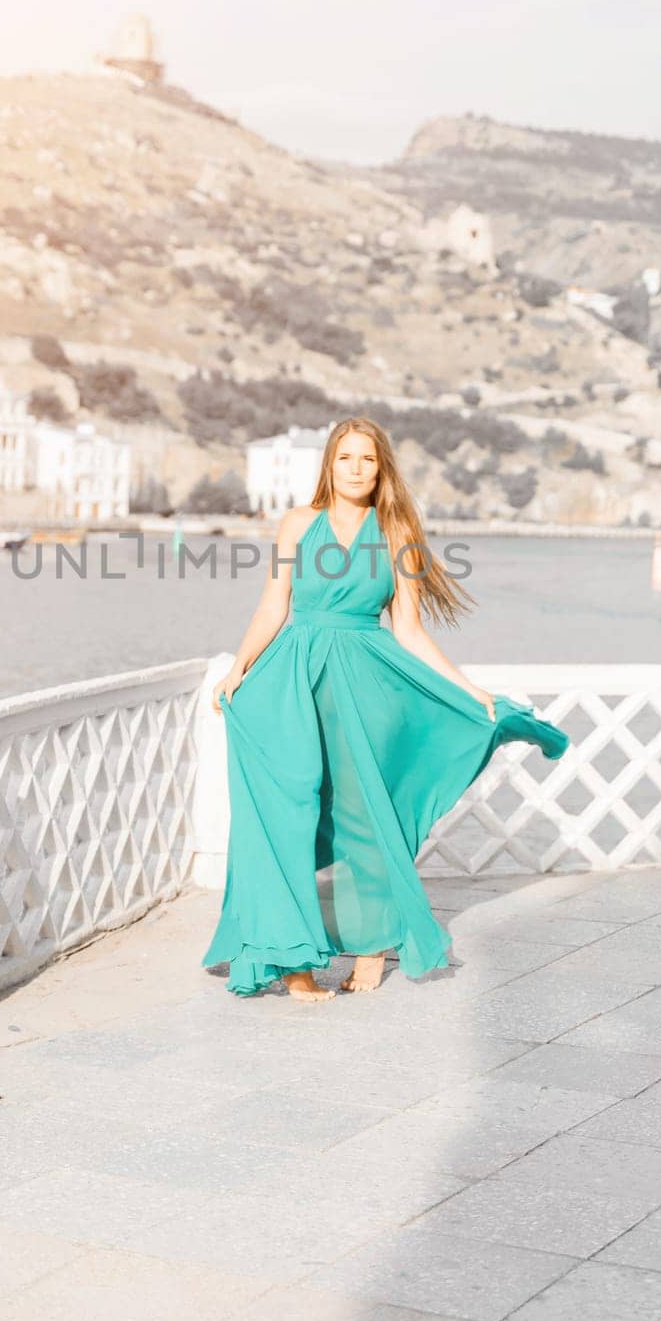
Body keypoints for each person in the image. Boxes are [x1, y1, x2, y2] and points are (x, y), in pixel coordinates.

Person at [202, 416, 570, 1002]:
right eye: (345, 457)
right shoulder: (298, 524)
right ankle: (291, 960)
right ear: (329, 463)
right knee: (287, 811)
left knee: (363, 816)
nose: (355, 468)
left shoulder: (397, 532)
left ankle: (371, 949)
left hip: (365, 686)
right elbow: (274, 604)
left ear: (381, 468)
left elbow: (410, 629)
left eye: (367, 459)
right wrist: (240, 665)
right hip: (294, 679)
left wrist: (467, 689)